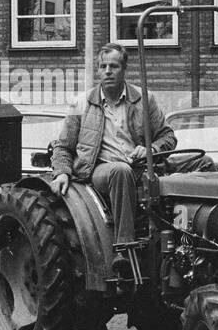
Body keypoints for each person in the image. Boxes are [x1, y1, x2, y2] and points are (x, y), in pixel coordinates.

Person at [51, 42, 176, 264]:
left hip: (141, 166)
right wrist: (62, 172)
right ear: (98, 69)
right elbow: (63, 146)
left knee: (202, 162)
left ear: (124, 69)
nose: (108, 71)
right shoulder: (83, 103)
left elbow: (168, 137)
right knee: (120, 171)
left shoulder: (143, 99)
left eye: (114, 66)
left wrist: (151, 149)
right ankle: (124, 249)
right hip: (100, 170)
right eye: (103, 66)